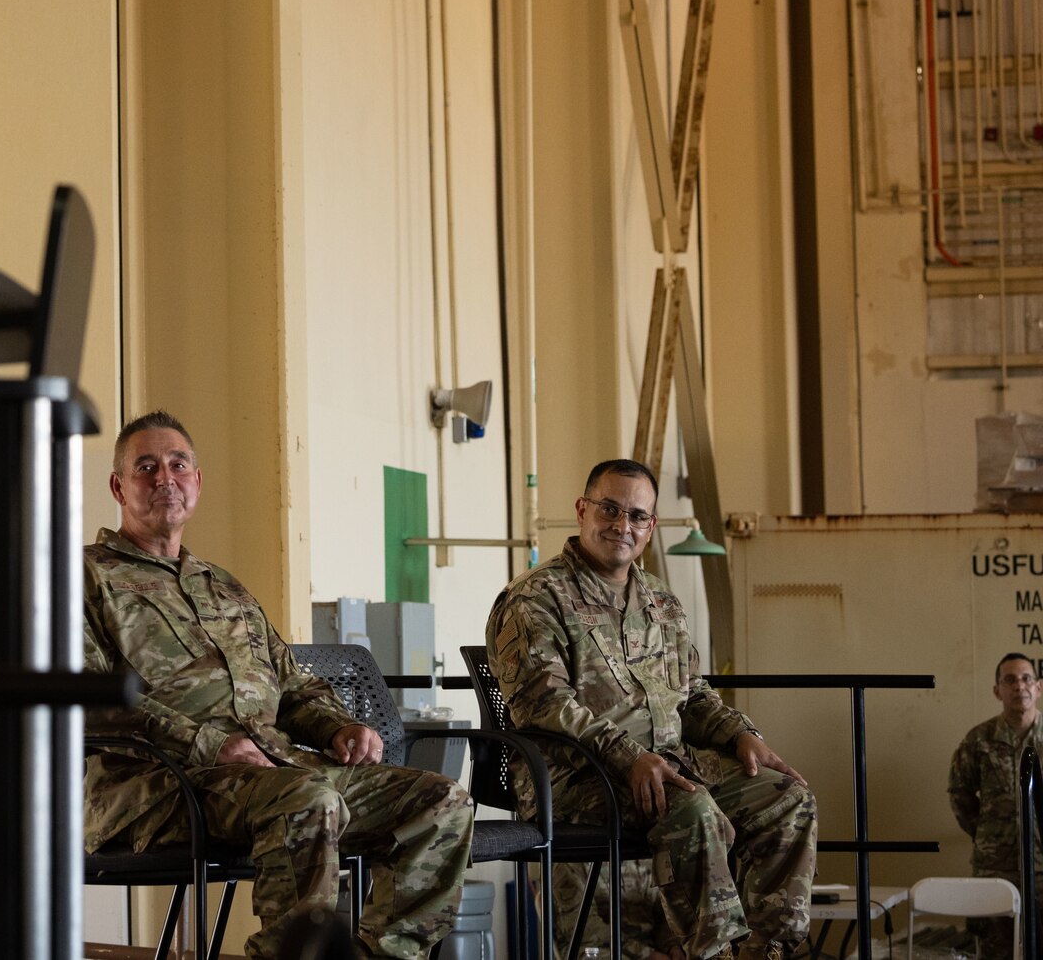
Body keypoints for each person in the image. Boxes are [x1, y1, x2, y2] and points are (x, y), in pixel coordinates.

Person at [83, 411, 474, 960]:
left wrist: (340, 726)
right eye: (145, 467)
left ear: (198, 482)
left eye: (178, 464)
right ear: (118, 486)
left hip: (272, 772)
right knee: (306, 800)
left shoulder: (224, 587)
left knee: (443, 801)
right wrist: (210, 743)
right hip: (156, 785)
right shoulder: (84, 578)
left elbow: (291, 683)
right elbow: (88, 700)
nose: (164, 478)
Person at [485, 459, 817, 960]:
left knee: (788, 796)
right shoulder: (535, 598)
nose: (623, 526)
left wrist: (739, 734)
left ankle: (766, 950)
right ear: (582, 510)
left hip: (668, 762)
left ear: (651, 526)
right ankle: (715, 952)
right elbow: (544, 705)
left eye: (637, 516)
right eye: (610, 510)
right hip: (577, 775)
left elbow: (694, 694)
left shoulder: (659, 600)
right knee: (692, 809)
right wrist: (628, 757)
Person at [949, 651, 1043, 960]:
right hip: (995, 869)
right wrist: (987, 835)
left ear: (1038, 687)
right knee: (994, 951)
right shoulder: (979, 740)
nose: (1020, 686)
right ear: (997, 690)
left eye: (1027, 678)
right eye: (1010, 680)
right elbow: (960, 794)